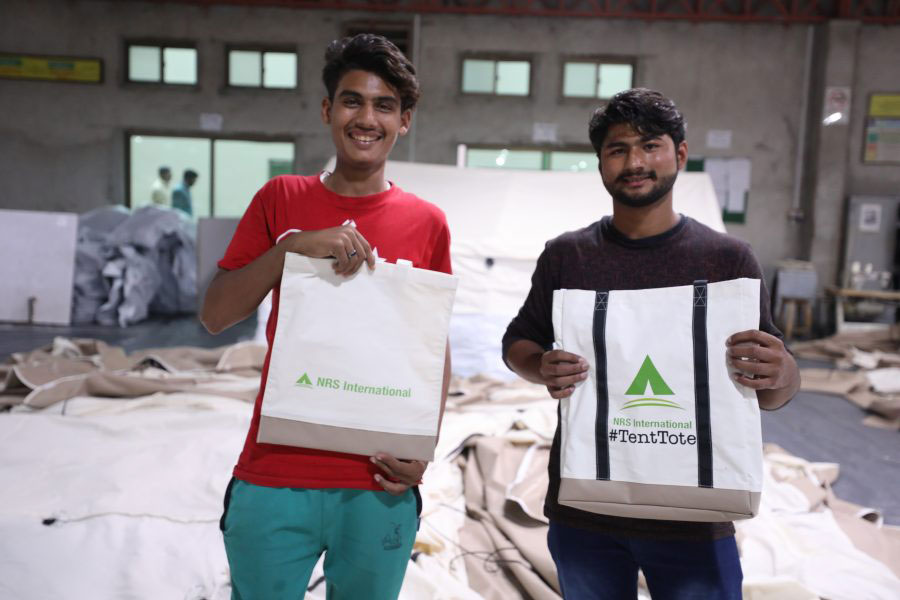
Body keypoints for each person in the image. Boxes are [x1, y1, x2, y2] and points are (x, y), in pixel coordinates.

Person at [502, 88, 799, 600]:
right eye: (617, 149)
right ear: (599, 163)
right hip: (586, 509)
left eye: (650, 146)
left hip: (695, 516)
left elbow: (772, 392)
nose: (634, 162)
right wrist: (540, 365)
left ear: (679, 154)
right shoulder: (567, 257)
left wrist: (783, 371)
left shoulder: (727, 260)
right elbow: (518, 342)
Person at [200, 34, 451, 600]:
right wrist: (290, 248)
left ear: (404, 120)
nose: (367, 118)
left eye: (384, 105)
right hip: (273, 473)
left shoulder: (427, 223)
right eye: (351, 100)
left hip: (378, 482)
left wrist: (424, 450)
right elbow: (216, 315)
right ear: (327, 110)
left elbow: (434, 350)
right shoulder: (280, 200)